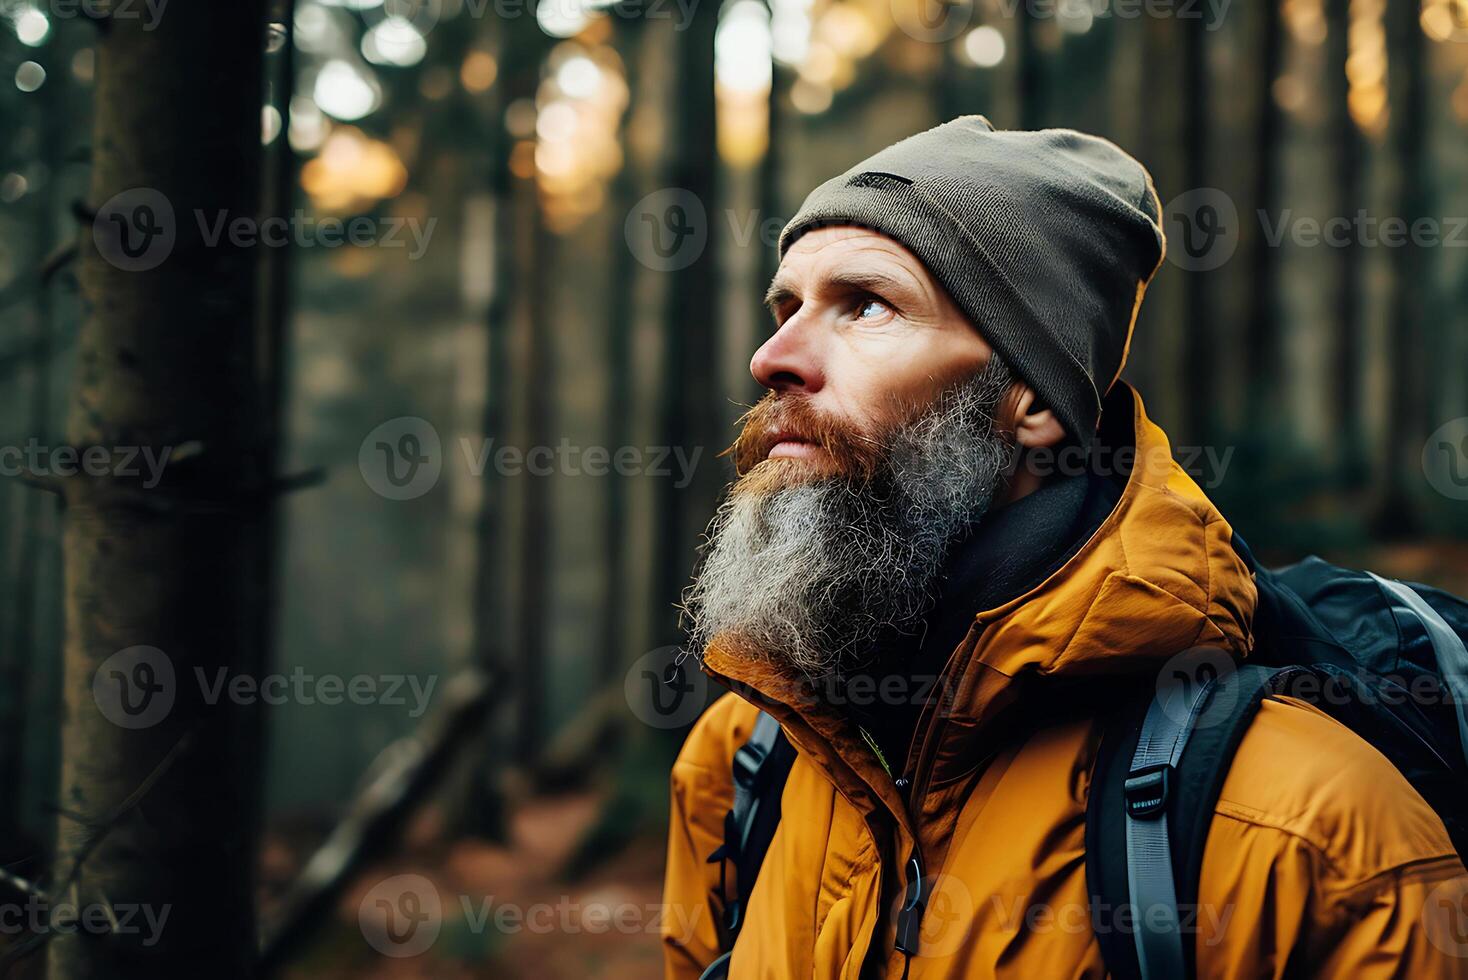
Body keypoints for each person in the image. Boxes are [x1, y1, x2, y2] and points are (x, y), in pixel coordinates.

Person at [661, 116, 1468, 978]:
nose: (771, 357)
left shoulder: (1306, 831)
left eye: (866, 304)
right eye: (787, 307)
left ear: (1030, 398)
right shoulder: (745, 764)